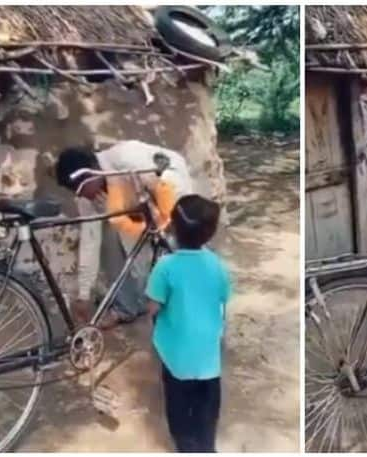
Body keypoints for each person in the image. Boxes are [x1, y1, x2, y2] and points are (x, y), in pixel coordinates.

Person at [55, 140, 194, 329]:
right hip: (136, 207)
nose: (80, 195)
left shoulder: (126, 158)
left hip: (171, 186)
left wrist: (162, 219)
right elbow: (90, 241)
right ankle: (126, 307)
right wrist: (84, 295)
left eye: (80, 189)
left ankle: (190, 299)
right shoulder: (86, 198)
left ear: (91, 172)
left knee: (178, 243)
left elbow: (167, 184)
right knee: (108, 239)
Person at [145, 194, 231, 452]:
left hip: (176, 355)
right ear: (210, 234)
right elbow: (223, 298)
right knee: (207, 411)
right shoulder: (217, 264)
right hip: (208, 356)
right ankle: (207, 447)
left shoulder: (165, 265)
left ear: (173, 227)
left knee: (179, 407)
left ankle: (186, 446)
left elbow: (153, 306)